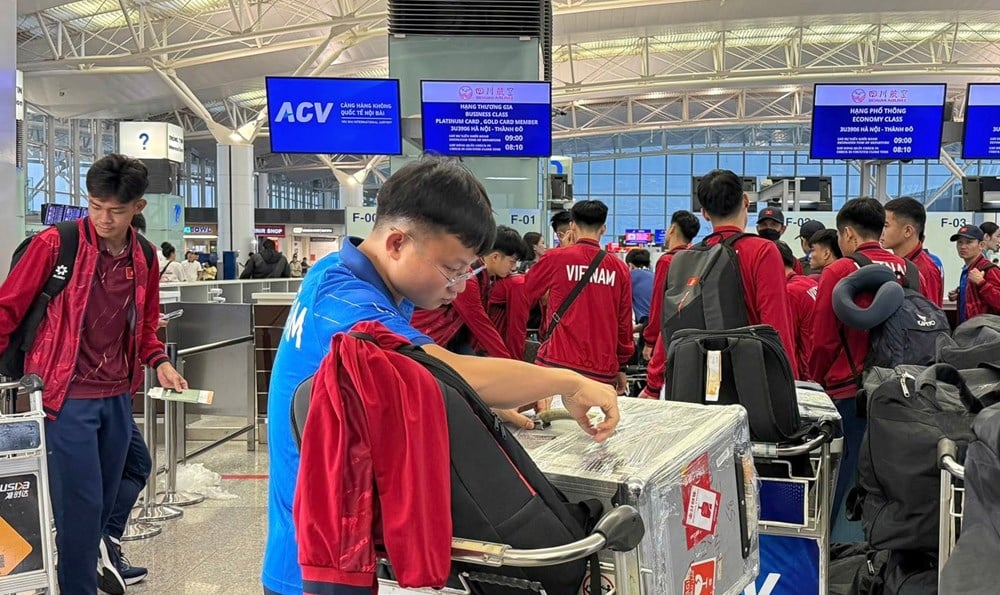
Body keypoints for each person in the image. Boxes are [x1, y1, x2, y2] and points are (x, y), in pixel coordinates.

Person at [261, 158, 619, 595]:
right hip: (321, 564)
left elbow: (403, 384)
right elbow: (446, 368)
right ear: (397, 243)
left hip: (325, 540)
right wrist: (570, 382)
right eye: (452, 269)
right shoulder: (349, 308)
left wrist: (469, 404)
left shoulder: (334, 272)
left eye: (469, 270)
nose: (461, 285)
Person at [0, 154, 187, 594]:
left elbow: (144, 323)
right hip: (64, 396)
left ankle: (97, 553)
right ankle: (81, 580)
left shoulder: (142, 256)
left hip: (117, 395)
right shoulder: (54, 244)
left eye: (116, 210)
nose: (103, 218)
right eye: (95, 206)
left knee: (118, 487)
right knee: (80, 510)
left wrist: (158, 361)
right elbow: (8, 309)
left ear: (137, 208)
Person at [809, 197, 929, 543]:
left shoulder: (841, 271)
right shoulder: (913, 271)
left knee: (845, 480)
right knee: (891, 478)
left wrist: (814, 383)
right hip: (904, 394)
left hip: (851, 392)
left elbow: (824, 341)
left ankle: (842, 555)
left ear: (847, 234)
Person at [642, 172, 797, 398]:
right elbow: (777, 327)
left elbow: (669, 329)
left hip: (694, 383)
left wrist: (653, 386)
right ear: (746, 201)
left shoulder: (682, 259)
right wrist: (790, 385)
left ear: (704, 213)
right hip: (750, 386)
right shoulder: (762, 251)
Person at [513, 200, 634, 392]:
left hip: (556, 363)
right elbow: (624, 322)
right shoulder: (619, 269)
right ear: (603, 229)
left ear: (572, 225)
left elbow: (525, 291)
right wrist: (621, 366)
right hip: (601, 369)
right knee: (594, 422)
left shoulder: (556, 258)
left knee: (553, 420)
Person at [411, 225, 525, 358]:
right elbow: (480, 324)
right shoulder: (469, 278)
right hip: (424, 335)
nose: (513, 268)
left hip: (446, 338)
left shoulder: (487, 277)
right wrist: (509, 363)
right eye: (511, 262)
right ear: (495, 257)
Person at [641, 210, 700, 361]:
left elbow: (658, 303)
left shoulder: (667, 261)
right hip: (692, 334)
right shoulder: (698, 258)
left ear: (672, 229)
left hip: (667, 337)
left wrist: (650, 340)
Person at [881, 197, 943, 306]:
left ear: (908, 231)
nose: (881, 231)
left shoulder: (926, 270)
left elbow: (931, 317)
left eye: (886, 226)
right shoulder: (898, 264)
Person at [776, 240, 817, 381]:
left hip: (806, 376)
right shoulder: (809, 283)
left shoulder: (789, 292)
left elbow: (789, 341)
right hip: (819, 369)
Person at [949, 225, 1000, 323]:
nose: (963, 246)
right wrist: (960, 294)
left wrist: (982, 284)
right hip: (968, 331)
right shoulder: (967, 270)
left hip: (983, 333)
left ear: (981, 245)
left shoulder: (989, 270)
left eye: (969, 242)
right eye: (960, 242)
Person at [757, 206, 803, 274]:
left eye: (774, 224)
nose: (768, 228)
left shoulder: (792, 262)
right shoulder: (750, 256)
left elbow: (797, 282)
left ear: (783, 229)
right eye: (764, 224)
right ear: (757, 228)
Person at [625, 249, 654, 324]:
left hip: (645, 322)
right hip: (660, 321)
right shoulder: (656, 276)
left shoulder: (630, 276)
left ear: (630, 265)